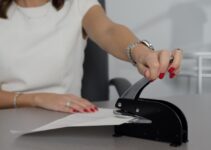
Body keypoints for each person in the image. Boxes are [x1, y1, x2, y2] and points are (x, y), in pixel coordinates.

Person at [0, 0, 182, 113]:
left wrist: (142, 53)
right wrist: (35, 99)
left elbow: (108, 30)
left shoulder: (78, 4)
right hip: (7, 120)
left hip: (65, 120)